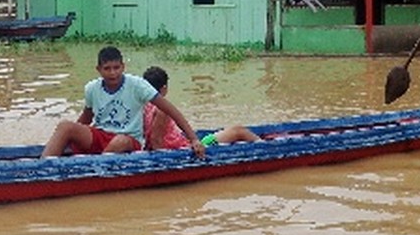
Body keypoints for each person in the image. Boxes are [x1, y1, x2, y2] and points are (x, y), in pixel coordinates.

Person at [41, 46, 206, 158]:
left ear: (123, 67)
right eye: (107, 69)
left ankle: (97, 170)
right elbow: (86, 118)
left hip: (129, 140)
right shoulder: (92, 88)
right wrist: (69, 138)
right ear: (98, 69)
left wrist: (194, 139)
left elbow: (171, 110)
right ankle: (42, 169)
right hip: (101, 135)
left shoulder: (137, 85)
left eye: (116, 68)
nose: (113, 73)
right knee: (65, 126)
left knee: (119, 141)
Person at [141, 66, 260, 150]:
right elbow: (157, 142)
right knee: (238, 130)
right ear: (164, 88)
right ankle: (268, 148)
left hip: (181, 142)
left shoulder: (144, 106)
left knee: (231, 132)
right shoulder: (162, 109)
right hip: (187, 148)